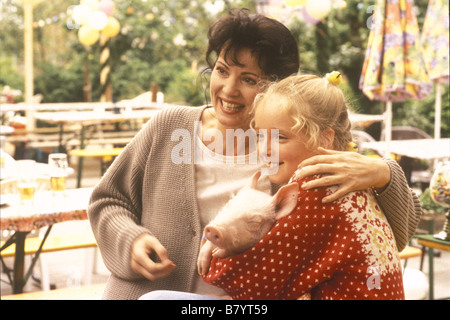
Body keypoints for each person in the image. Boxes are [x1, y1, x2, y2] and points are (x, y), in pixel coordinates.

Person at [88, 9, 420, 300]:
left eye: (248, 79)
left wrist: (385, 174)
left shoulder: (300, 146)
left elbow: (392, 232)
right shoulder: (171, 129)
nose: (228, 90)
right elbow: (108, 199)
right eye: (221, 70)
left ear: (277, 88)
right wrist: (129, 240)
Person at [201, 73, 405, 300]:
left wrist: (216, 244)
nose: (264, 149)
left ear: (324, 139)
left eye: (280, 137)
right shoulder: (354, 180)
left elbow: (251, 282)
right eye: (260, 135)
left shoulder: (315, 186)